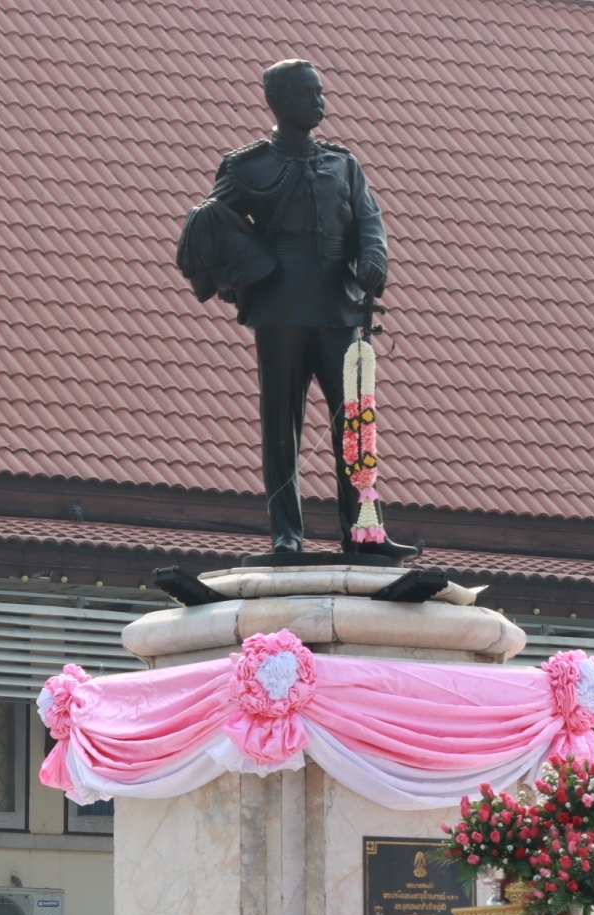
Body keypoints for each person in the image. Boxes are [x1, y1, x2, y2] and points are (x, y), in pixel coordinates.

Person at [179, 60, 416, 560]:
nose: (319, 102)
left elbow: (369, 219)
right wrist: (251, 267)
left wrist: (373, 257)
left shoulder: (343, 163)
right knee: (281, 425)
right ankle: (287, 534)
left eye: (321, 93)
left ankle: (362, 530)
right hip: (281, 308)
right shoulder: (248, 167)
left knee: (354, 422)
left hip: (340, 307)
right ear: (281, 102)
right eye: (308, 94)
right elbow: (206, 223)